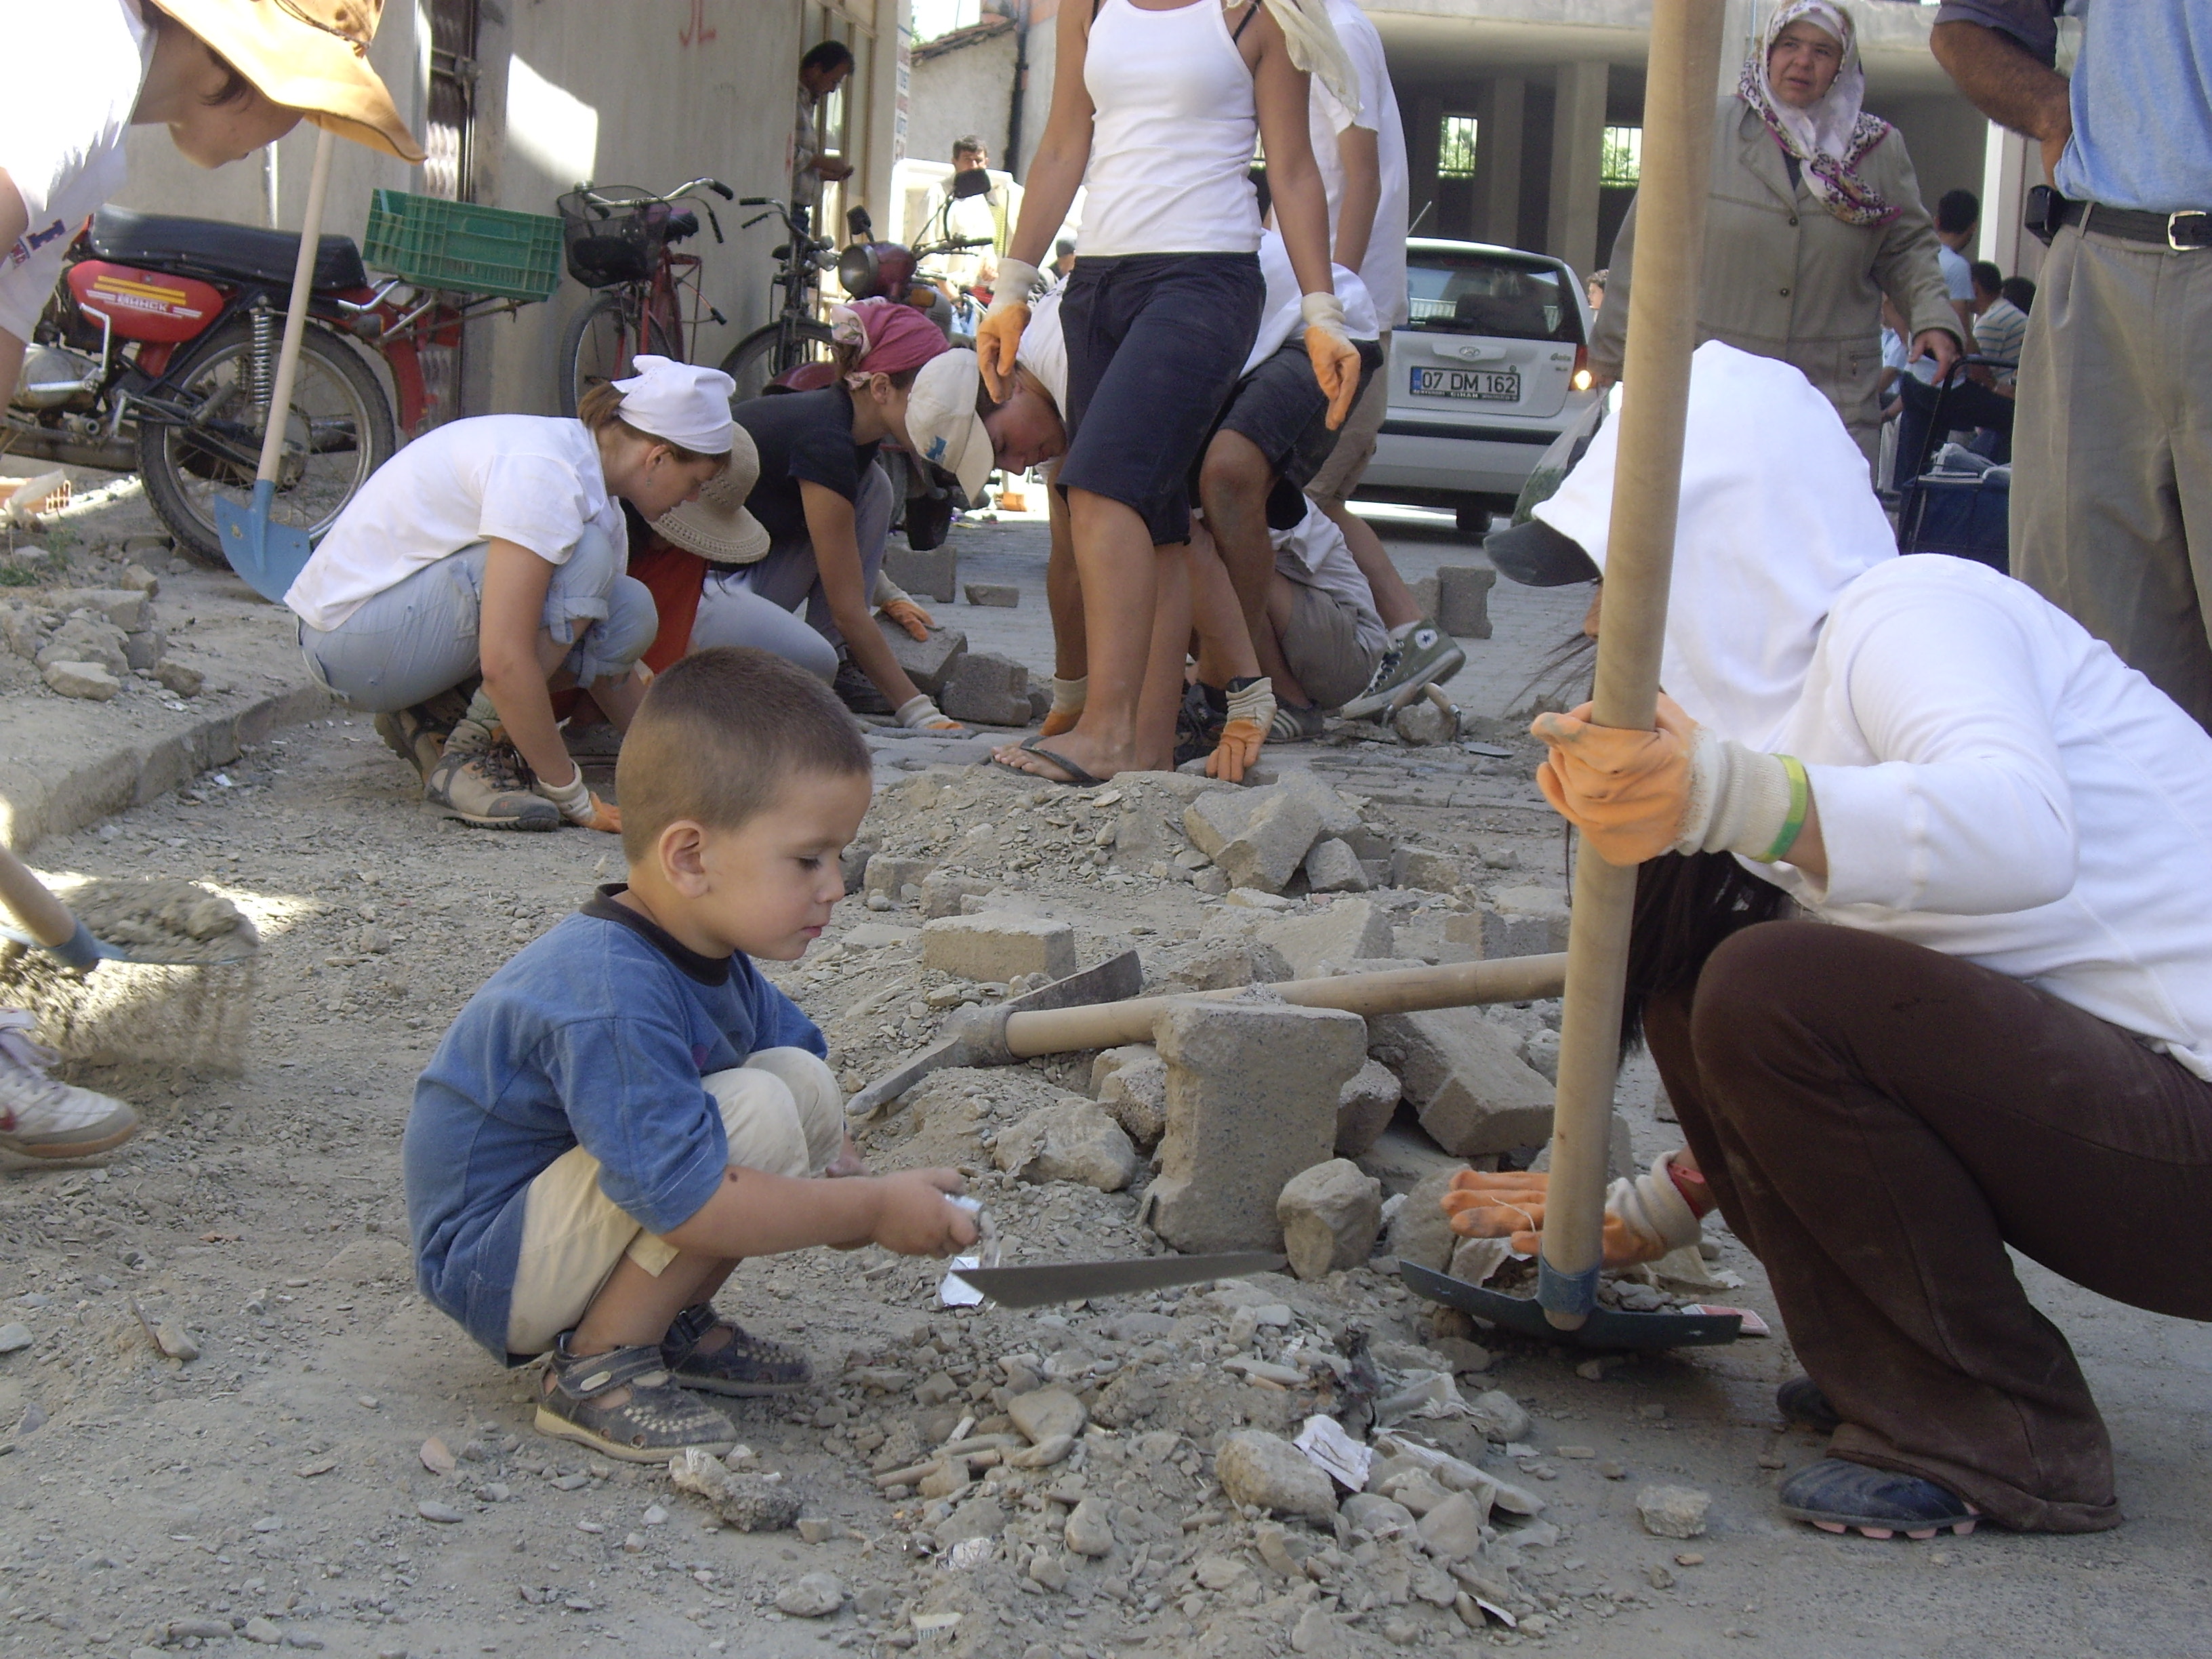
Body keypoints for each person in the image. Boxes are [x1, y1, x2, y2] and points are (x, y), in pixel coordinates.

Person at [1468, 341, 2212, 1540]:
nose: (1600, 620)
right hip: (2152, 1130)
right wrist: (1660, 1202)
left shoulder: (1906, 613)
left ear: (1728, 549)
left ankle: (1996, 1432)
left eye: (1615, 574)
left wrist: (1724, 792)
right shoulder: (1794, 717)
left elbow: (2023, 832)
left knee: (1767, 985)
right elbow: (1884, 1039)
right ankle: (1894, 1361)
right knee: (1710, 986)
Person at [405, 649, 979, 1460]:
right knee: (754, 1116)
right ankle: (599, 1366)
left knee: (801, 1086)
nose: (835, 887)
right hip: (491, 1266)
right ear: (689, 857)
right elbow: (689, 1199)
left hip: (555, 1225)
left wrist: (846, 1177)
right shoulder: (611, 991)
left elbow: (791, 1055)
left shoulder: (705, 948)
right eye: (808, 859)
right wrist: (870, 1210)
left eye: (837, 859)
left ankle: (665, 1323)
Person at [974, 0, 1365, 786]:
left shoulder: (1255, 13)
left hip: (1207, 277)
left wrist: (1322, 309)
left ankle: (1108, 731)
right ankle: (1148, 750)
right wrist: (1012, 284)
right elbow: (1063, 144)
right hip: (1098, 282)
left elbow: (1292, 169)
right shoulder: (1089, 7)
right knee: (1155, 522)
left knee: (1100, 485)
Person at [287, 356, 732, 833]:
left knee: (627, 610)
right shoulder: (547, 471)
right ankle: (469, 758)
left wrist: (683, 775)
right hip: (348, 644)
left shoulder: (596, 496)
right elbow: (503, 659)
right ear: (658, 457)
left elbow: (608, 667)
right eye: (696, 483)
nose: (692, 499)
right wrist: (573, 795)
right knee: (588, 558)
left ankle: (431, 715)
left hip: (398, 635)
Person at [1930, 5, 2212, 731]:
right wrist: (2055, 110)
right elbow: (1969, 23)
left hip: (2108, 259)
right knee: (2093, 675)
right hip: (2101, 260)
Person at [1, 0, 423, 416]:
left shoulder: (103, 154)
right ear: (250, 58)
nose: (294, 126)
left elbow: (9, 318)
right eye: (306, 102)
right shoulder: (86, 60)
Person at [1590, 1, 1961, 471]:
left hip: (1830, 395)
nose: (1803, 62)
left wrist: (1932, 318)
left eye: (1822, 51)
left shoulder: (1879, 151)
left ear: (1842, 66)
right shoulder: (1708, 127)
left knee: (1822, 516)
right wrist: (1613, 354)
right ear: (1767, 52)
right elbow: (1646, 247)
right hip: (1716, 387)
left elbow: (1908, 250)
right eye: (1790, 45)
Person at [1295, 0, 1467, 723]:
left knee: (1297, 503)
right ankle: (1404, 642)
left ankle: (1391, 644)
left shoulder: (1336, 32)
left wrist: (1330, 307)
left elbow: (1359, 178)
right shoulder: (1312, 31)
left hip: (1338, 320)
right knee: (1310, 501)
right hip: (1331, 310)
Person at [1191, 224, 1385, 774]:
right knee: (1194, 572)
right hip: (1313, 632)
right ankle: (1254, 688)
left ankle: (1288, 701)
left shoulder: (1238, 487)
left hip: (1347, 646)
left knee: (1216, 570)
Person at [722, 297, 966, 733]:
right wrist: (919, 711)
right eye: (928, 397)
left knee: (874, 486)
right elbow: (847, 609)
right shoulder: (825, 438)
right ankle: (822, 668)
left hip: (746, 576)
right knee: (812, 661)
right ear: (881, 388)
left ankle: (833, 661)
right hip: (698, 600)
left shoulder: (849, 426)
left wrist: (886, 593)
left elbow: (836, 534)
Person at [1890, 258, 2019, 487]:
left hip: (1918, 374)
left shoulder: (1924, 259)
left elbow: (1888, 304)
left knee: (1918, 452)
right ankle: (1992, 484)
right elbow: (1964, 336)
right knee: (2013, 417)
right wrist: (1994, 386)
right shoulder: (1956, 267)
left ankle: (1909, 497)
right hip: (1942, 380)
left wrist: (1912, 343)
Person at [917, 135, 1024, 302]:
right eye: (967, 160)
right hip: (939, 294)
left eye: (978, 161)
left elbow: (986, 244)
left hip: (967, 292)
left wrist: (989, 264)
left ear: (986, 163)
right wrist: (949, 292)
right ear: (954, 162)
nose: (973, 166)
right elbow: (927, 251)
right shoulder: (938, 194)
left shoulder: (978, 198)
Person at [792, 41, 855, 216]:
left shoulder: (807, 104)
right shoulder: (790, 101)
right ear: (816, 69)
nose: (833, 90)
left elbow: (797, 166)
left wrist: (822, 173)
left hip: (799, 210)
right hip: (788, 207)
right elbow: (782, 153)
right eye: (833, 81)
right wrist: (820, 161)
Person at [1933, 186, 1980, 337]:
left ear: (1937, 221)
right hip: (1941, 352)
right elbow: (1960, 329)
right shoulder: (1957, 267)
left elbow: (1889, 305)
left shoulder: (1919, 256)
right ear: (1973, 226)